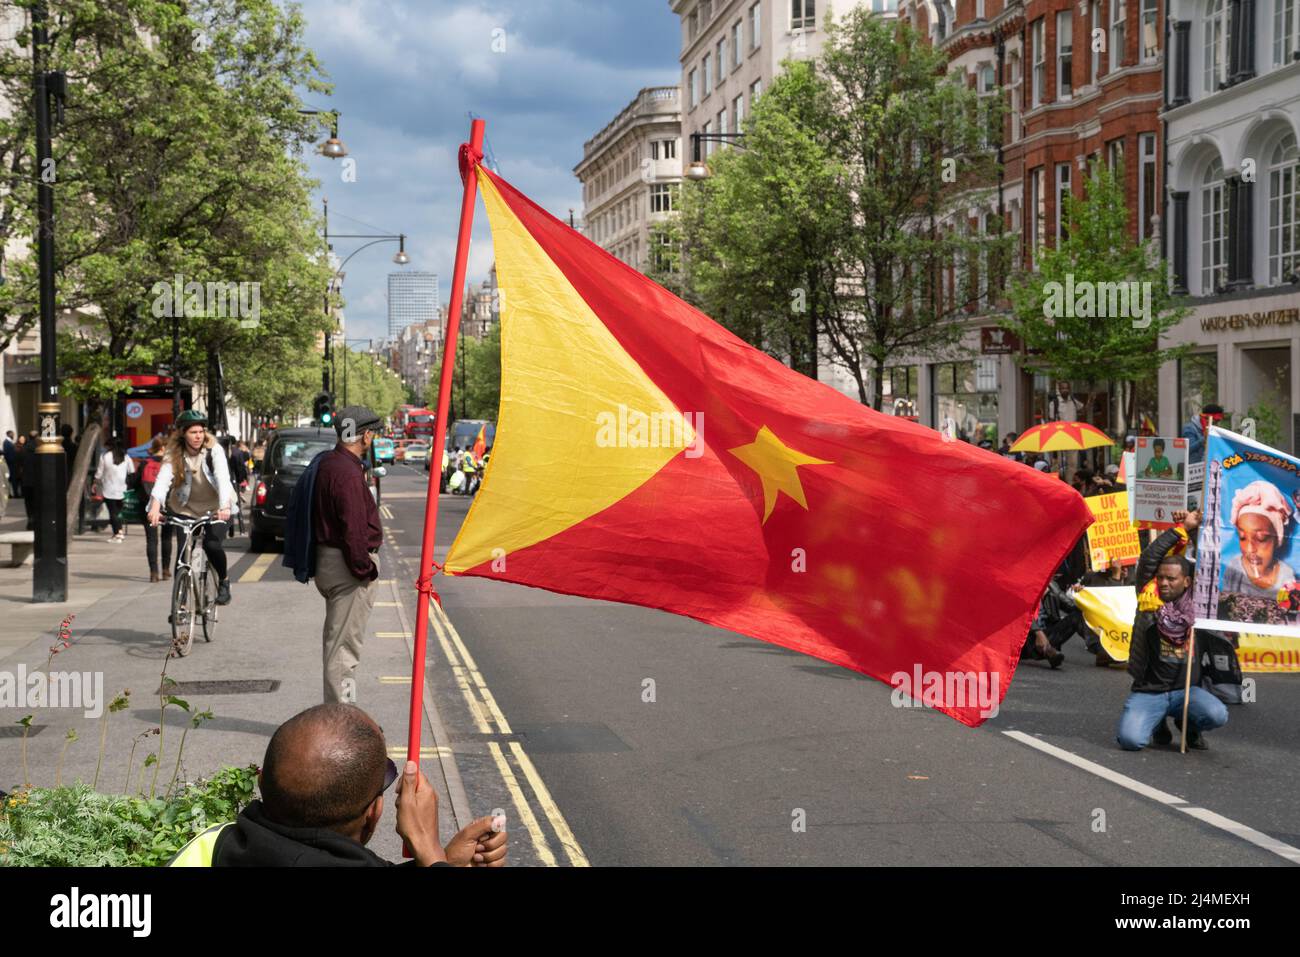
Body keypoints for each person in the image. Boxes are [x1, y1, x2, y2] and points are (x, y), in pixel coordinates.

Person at [167, 703, 508, 867]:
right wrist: (429, 849)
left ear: (262, 783)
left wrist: (443, 861)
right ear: (373, 814)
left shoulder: (208, 848)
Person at [1116, 550, 1229, 751]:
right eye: (1160, 577)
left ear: (1186, 581)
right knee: (1130, 740)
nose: (1164, 583)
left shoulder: (1197, 611)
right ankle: (1157, 722)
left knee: (1217, 714)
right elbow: (1148, 561)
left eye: (1171, 578)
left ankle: (1189, 726)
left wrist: (1197, 530)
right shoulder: (1149, 606)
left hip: (1186, 692)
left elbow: (1210, 560)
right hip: (1151, 692)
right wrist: (1180, 529)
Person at [312, 406, 384, 704]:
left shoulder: (330, 463)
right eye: (373, 433)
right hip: (346, 567)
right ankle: (344, 719)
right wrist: (364, 567)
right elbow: (353, 528)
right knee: (344, 651)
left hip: (330, 561)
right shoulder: (348, 474)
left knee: (338, 645)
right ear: (365, 435)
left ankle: (341, 714)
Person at [146, 410, 235, 605]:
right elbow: (162, 480)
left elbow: (223, 478)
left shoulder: (214, 450)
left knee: (211, 545)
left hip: (216, 508)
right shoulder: (174, 452)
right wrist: (154, 507)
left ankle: (224, 581)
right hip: (186, 509)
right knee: (183, 555)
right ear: (182, 434)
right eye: (192, 432)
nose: (198, 436)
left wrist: (224, 507)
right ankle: (180, 604)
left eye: (201, 432)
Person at [1217, 480, 1296, 623]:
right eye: (1242, 537)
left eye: (1261, 538)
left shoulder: (1286, 574)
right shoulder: (1234, 567)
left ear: (1277, 539)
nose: (1249, 549)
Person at [140, 436, 171, 583]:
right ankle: (166, 570)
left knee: (151, 540)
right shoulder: (169, 464)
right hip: (168, 505)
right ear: (163, 447)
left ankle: (153, 573)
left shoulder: (145, 463)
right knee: (167, 538)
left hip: (148, 505)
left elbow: (134, 482)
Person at [93, 438, 135, 543]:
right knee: (118, 512)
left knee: (113, 512)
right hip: (123, 488)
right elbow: (132, 470)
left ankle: (118, 533)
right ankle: (119, 531)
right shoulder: (126, 457)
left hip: (108, 488)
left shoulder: (105, 456)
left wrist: (96, 482)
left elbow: (99, 473)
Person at [1, 431, 17, 498]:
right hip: (10, 464)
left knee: (11, 479)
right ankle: (10, 494)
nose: (13, 435)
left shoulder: (10, 442)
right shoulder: (6, 442)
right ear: (9, 434)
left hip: (12, 464)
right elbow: (7, 454)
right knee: (9, 479)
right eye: (12, 434)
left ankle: (12, 493)